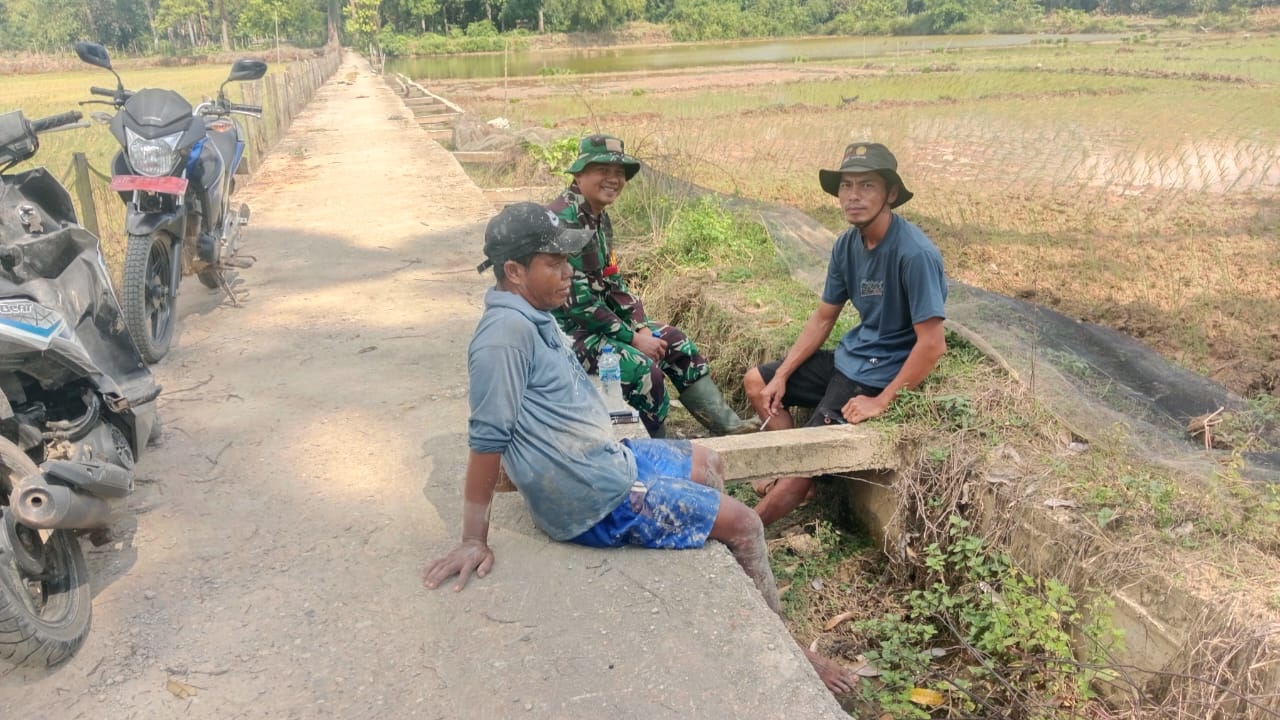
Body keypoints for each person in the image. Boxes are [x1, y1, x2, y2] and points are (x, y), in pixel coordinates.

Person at [421, 202, 856, 695]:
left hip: (606, 460)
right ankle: (790, 650)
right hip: (595, 497)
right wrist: (474, 537)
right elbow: (487, 441)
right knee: (746, 524)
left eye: (568, 262)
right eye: (554, 264)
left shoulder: (532, 315)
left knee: (707, 460)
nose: (568, 274)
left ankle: (706, 542)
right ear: (515, 271)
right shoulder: (503, 339)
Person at [743, 142, 948, 527]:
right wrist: (784, 374)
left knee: (806, 453)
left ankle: (742, 531)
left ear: (890, 193)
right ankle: (797, 479)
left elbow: (933, 345)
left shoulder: (914, 254)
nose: (854, 196)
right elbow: (823, 319)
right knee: (759, 383)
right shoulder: (846, 245)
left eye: (867, 186)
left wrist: (880, 402)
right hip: (849, 358)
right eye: (846, 186)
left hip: (874, 373)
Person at [546, 134, 752, 438]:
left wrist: (641, 326)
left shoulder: (598, 217)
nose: (613, 179)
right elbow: (579, 305)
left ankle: (730, 428)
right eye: (603, 170)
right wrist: (633, 339)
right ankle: (657, 452)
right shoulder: (565, 220)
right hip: (566, 335)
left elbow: (613, 281)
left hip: (598, 327)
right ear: (580, 172)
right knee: (643, 369)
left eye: (619, 173)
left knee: (676, 343)